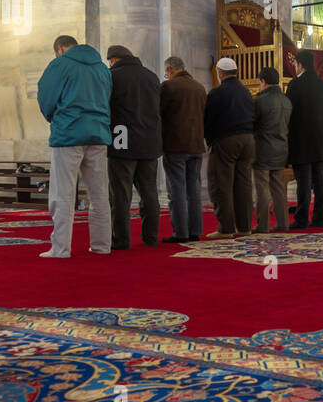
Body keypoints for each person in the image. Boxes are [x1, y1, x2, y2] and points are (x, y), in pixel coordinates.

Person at [37, 35, 113, 258]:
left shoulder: (60, 65)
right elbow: (108, 98)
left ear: (59, 48)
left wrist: (57, 119)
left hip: (68, 134)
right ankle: (102, 245)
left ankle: (60, 248)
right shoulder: (101, 67)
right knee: (99, 194)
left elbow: (46, 99)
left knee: (63, 193)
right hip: (98, 134)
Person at [106, 45, 162, 250]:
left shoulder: (113, 77)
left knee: (120, 195)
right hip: (149, 141)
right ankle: (151, 238)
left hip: (122, 140)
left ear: (113, 60)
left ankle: (120, 240)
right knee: (149, 193)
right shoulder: (151, 76)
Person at [203, 56, 256, 238]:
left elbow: (208, 120)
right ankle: (244, 227)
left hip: (227, 140)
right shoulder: (246, 92)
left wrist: (210, 140)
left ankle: (225, 228)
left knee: (221, 184)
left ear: (220, 73)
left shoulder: (217, 93)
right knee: (244, 184)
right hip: (248, 140)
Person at [159, 55, 208, 243]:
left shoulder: (169, 87)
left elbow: (159, 113)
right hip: (196, 145)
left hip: (175, 144)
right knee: (194, 189)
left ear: (170, 70)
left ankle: (180, 233)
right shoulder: (199, 87)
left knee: (177, 190)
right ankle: (195, 231)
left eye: (166, 72)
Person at [287, 49, 323, 229]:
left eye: (296, 64)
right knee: (319, 181)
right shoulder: (321, 85)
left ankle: (302, 218)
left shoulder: (295, 85)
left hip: (301, 139)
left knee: (303, 182)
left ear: (301, 64)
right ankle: (319, 217)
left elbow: (289, 112)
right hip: (319, 137)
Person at [252, 66, 292, 234]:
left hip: (262, 149)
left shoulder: (259, 101)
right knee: (278, 189)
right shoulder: (286, 101)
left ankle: (263, 225)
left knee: (262, 188)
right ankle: (283, 223)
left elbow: (253, 125)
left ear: (263, 82)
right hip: (281, 149)